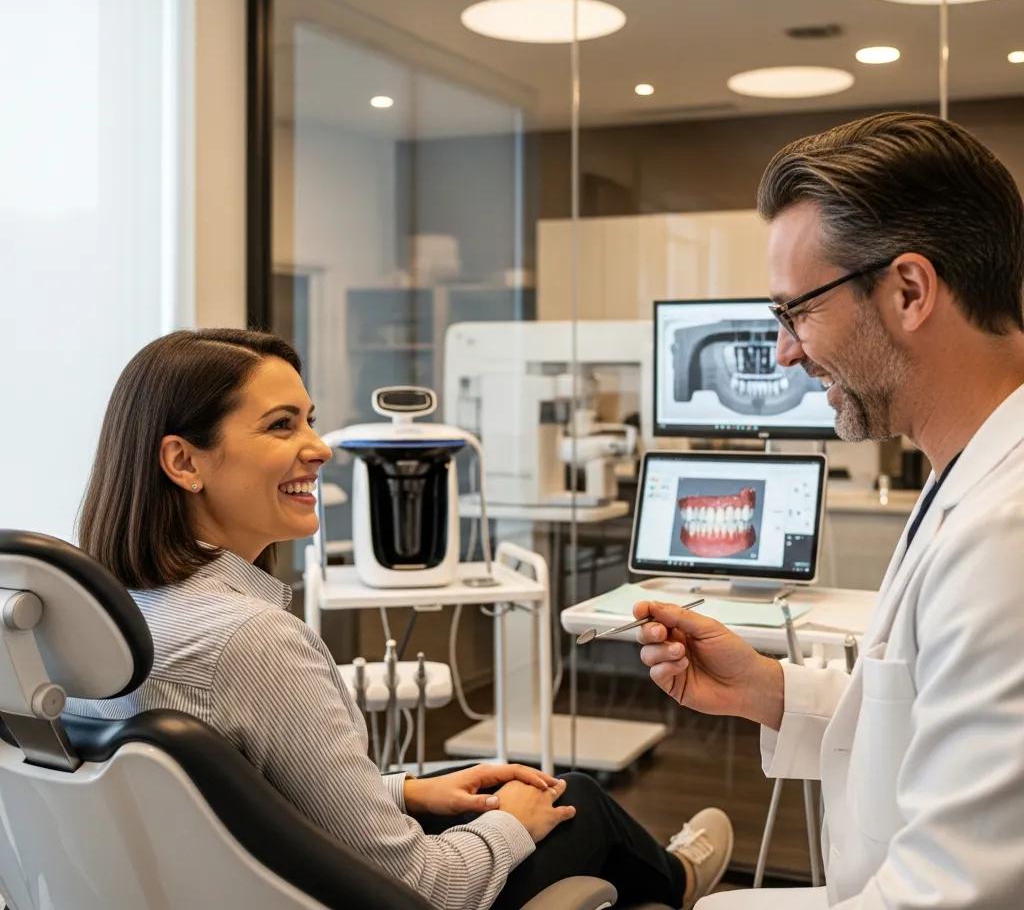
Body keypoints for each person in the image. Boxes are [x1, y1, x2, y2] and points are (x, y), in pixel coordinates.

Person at [68, 327, 732, 910]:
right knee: (574, 801)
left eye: (309, 420)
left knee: (518, 795)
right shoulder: (253, 641)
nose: (319, 447)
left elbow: (247, 803)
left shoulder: (100, 624)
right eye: (281, 425)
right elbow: (423, 889)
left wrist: (406, 792)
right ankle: (677, 881)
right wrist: (512, 825)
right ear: (184, 461)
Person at [637, 112, 1024, 908]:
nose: (786, 352)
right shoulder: (966, 475)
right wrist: (768, 689)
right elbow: (920, 723)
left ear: (909, 291)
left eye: (798, 312)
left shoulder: (1004, 535)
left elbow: (953, 893)